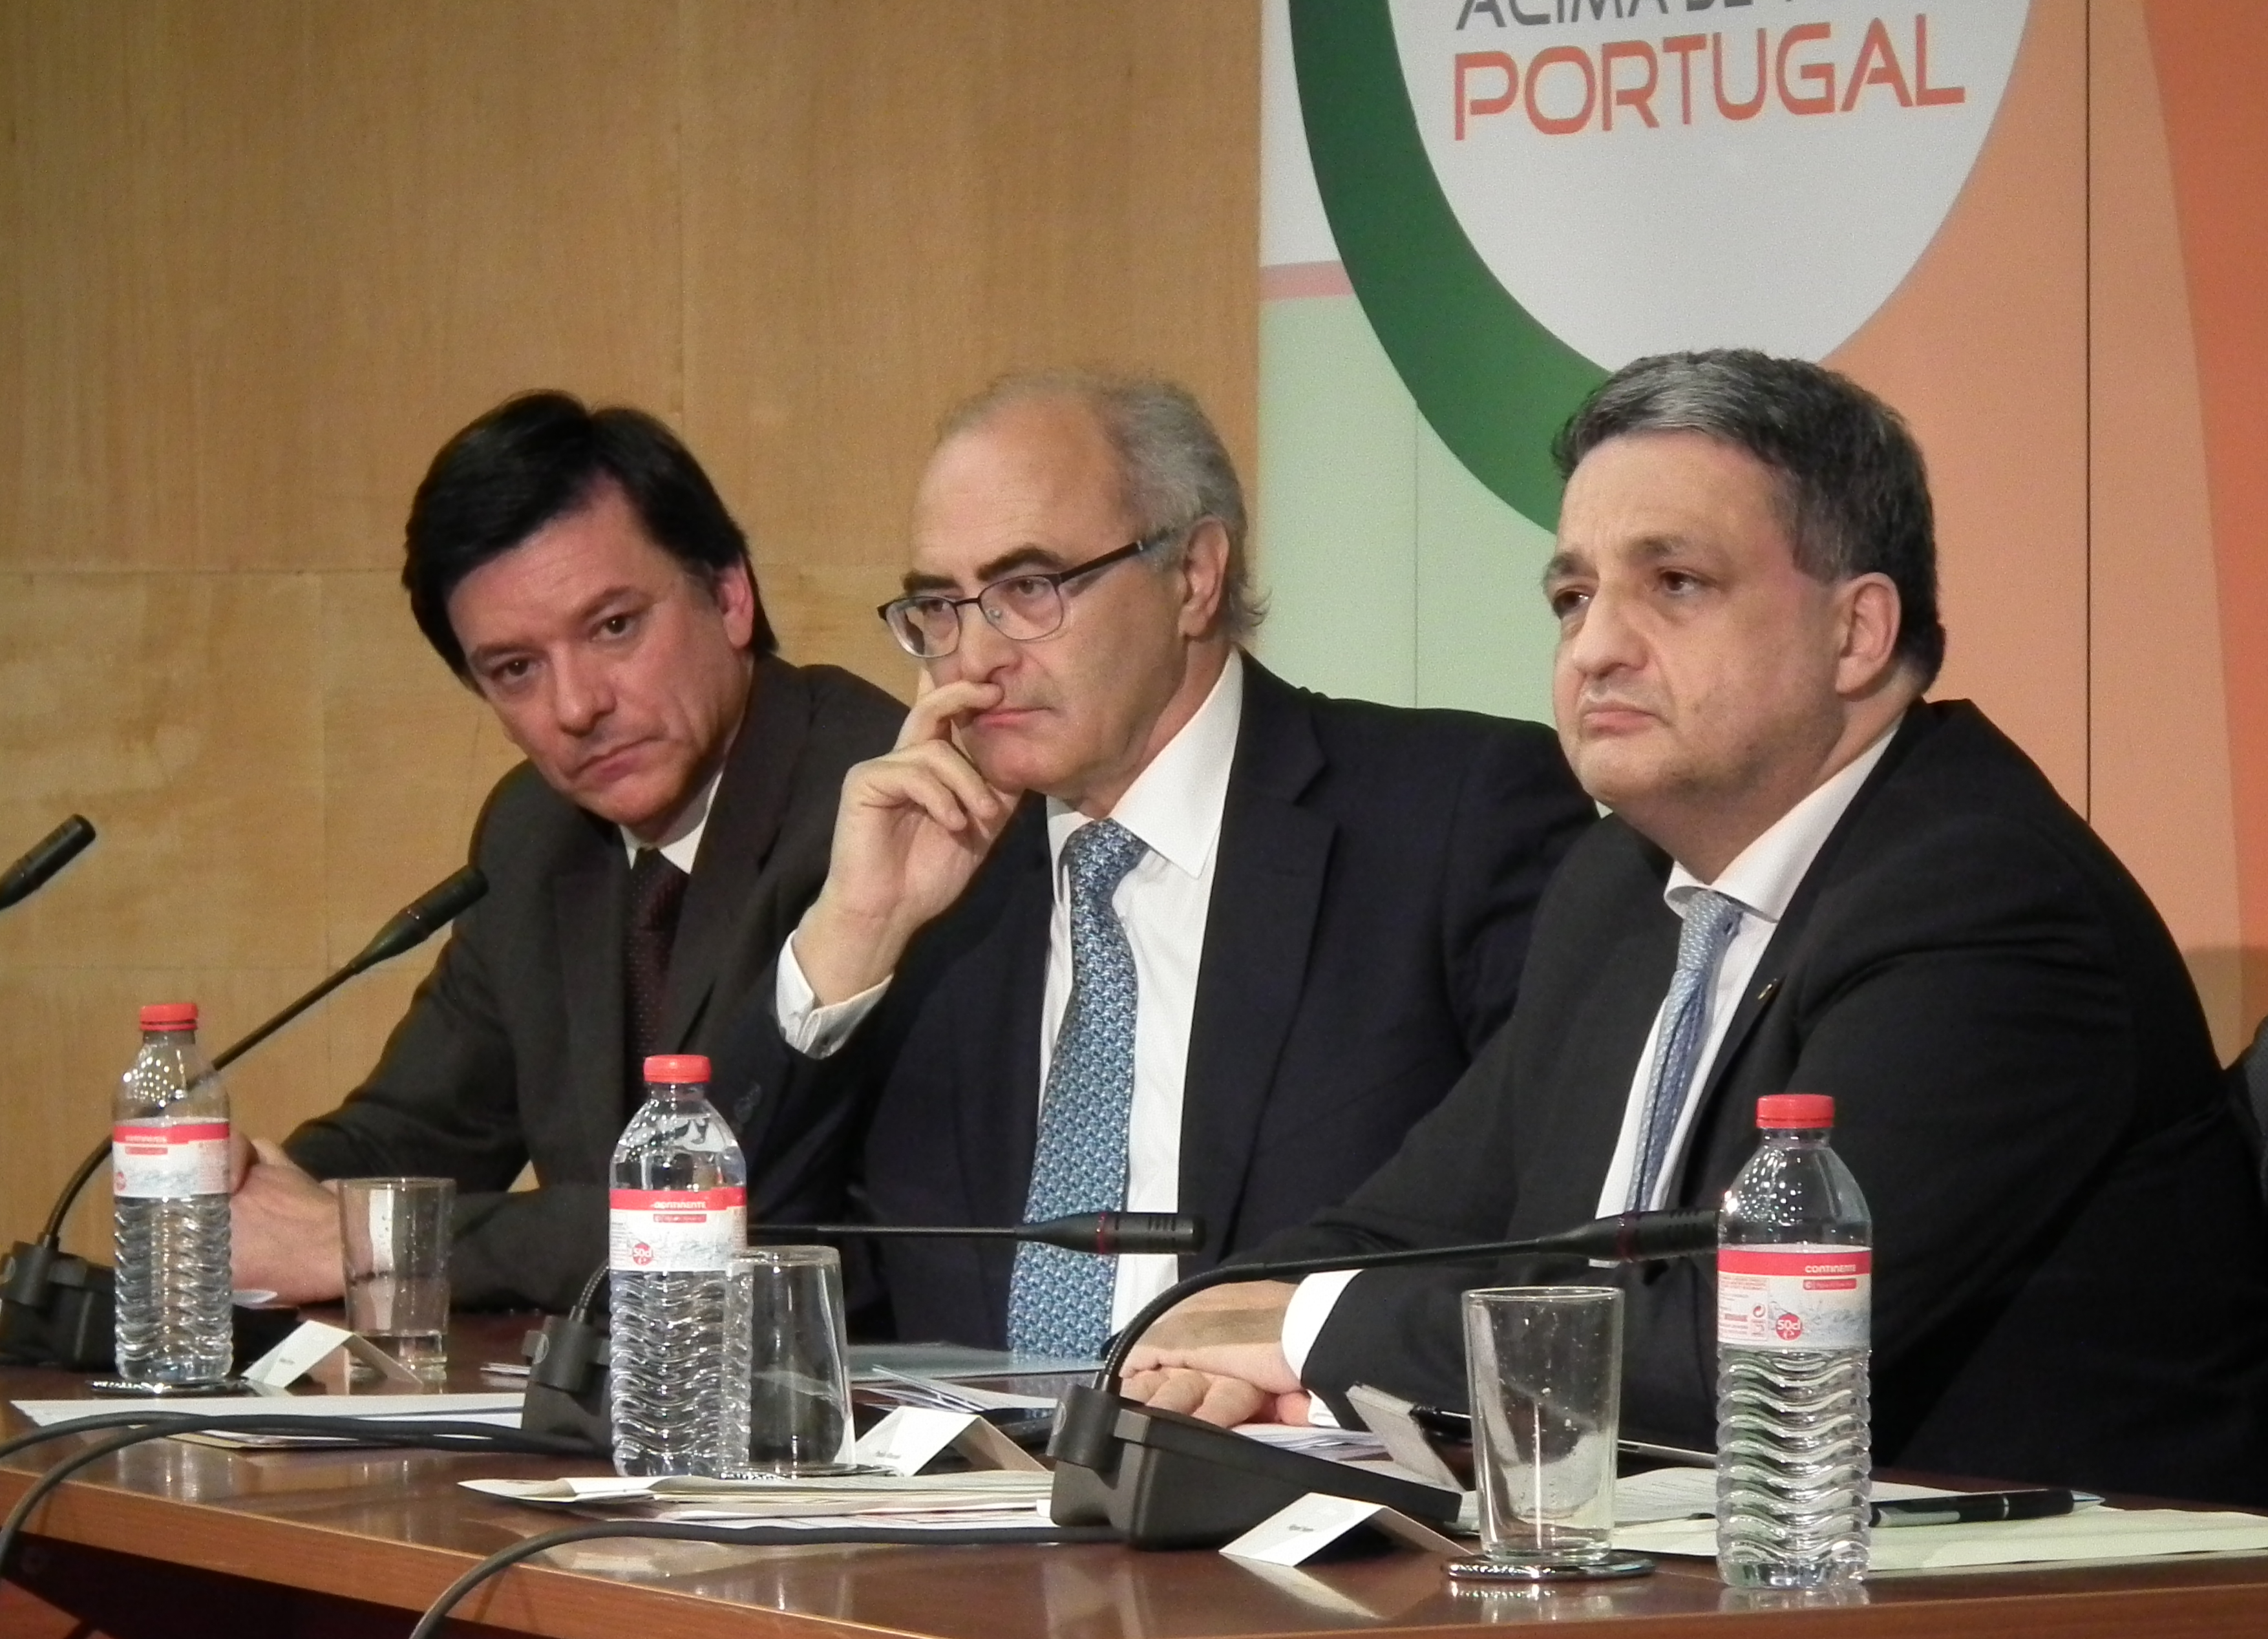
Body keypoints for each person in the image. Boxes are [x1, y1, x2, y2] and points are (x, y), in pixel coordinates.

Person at [1120, 350, 2268, 1505]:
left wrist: (1309, 1338)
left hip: (2047, 1581)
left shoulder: (1982, 903)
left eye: (1675, 584)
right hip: (1694, 1557)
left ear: (1857, 632)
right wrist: (1205, 1332)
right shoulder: (1621, 888)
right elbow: (1404, 1228)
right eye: (1573, 598)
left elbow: (1746, 1359)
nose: (1595, 648)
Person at [737, 370, 1594, 1353]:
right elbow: (710, 1280)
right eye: (940, 606)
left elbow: (1555, 1238)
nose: (973, 659)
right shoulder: (929, 888)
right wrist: (856, 933)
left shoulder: (1452, 818)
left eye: (1027, 589)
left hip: (1293, 1441)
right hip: (974, 1450)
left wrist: (1294, 1351)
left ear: (1193, 575)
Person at [229, 392, 904, 1313]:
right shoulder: (535, 833)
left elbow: (759, 1223)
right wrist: (253, 1198)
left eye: (614, 627)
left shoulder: (873, 811)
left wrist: (370, 1243)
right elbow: (424, 1128)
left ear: (729, 595)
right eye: (516, 669)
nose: (577, 706)